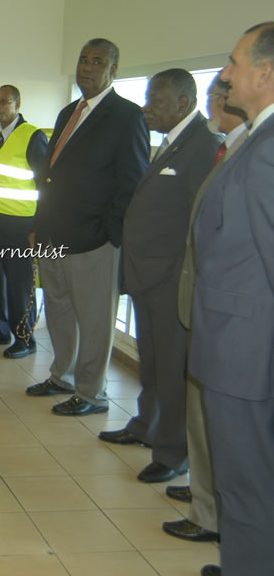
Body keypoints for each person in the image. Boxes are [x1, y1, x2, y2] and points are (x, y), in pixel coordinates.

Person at [98, 69, 219, 485]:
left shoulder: (205, 146)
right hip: (147, 277)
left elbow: (197, 224)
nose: (148, 107)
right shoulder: (170, 142)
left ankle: (172, 453)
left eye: (157, 100)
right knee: (151, 363)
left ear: (184, 103)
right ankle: (145, 425)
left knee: (171, 370)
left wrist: (174, 276)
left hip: (170, 281)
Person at [188, 22, 274, 576]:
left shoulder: (267, 153)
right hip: (241, 347)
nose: (224, 74)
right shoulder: (258, 141)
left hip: (247, 356)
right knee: (248, 483)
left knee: (247, 484)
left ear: (266, 75)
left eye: (235, 63)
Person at [25, 38, 150, 416]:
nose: (87, 67)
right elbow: (51, 175)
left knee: (94, 320)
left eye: (98, 62)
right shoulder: (68, 112)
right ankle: (62, 375)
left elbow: (131, 182)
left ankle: (92, 392)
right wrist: (38, 225)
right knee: (59, 311)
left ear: (114, 70)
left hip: (94, 240)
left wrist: (109, 234)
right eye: (83, 59)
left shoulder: (127, 116)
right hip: (52, 235)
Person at [165, 76, 248, 550]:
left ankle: (211, 512)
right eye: (216, 93)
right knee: (200, 416)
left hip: (227, 315)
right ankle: (205, 497)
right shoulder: (224, 150)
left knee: (218, 421)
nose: (218, 101)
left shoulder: (250, 155)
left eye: (223, 93)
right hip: (201, 303)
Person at [0, 85, 48, 357]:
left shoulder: (32, 136)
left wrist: (38, 227)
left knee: (19, 284)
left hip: (20, 224)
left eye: (4, 102)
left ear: (18, 104)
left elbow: (46, 184)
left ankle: (25, 338)